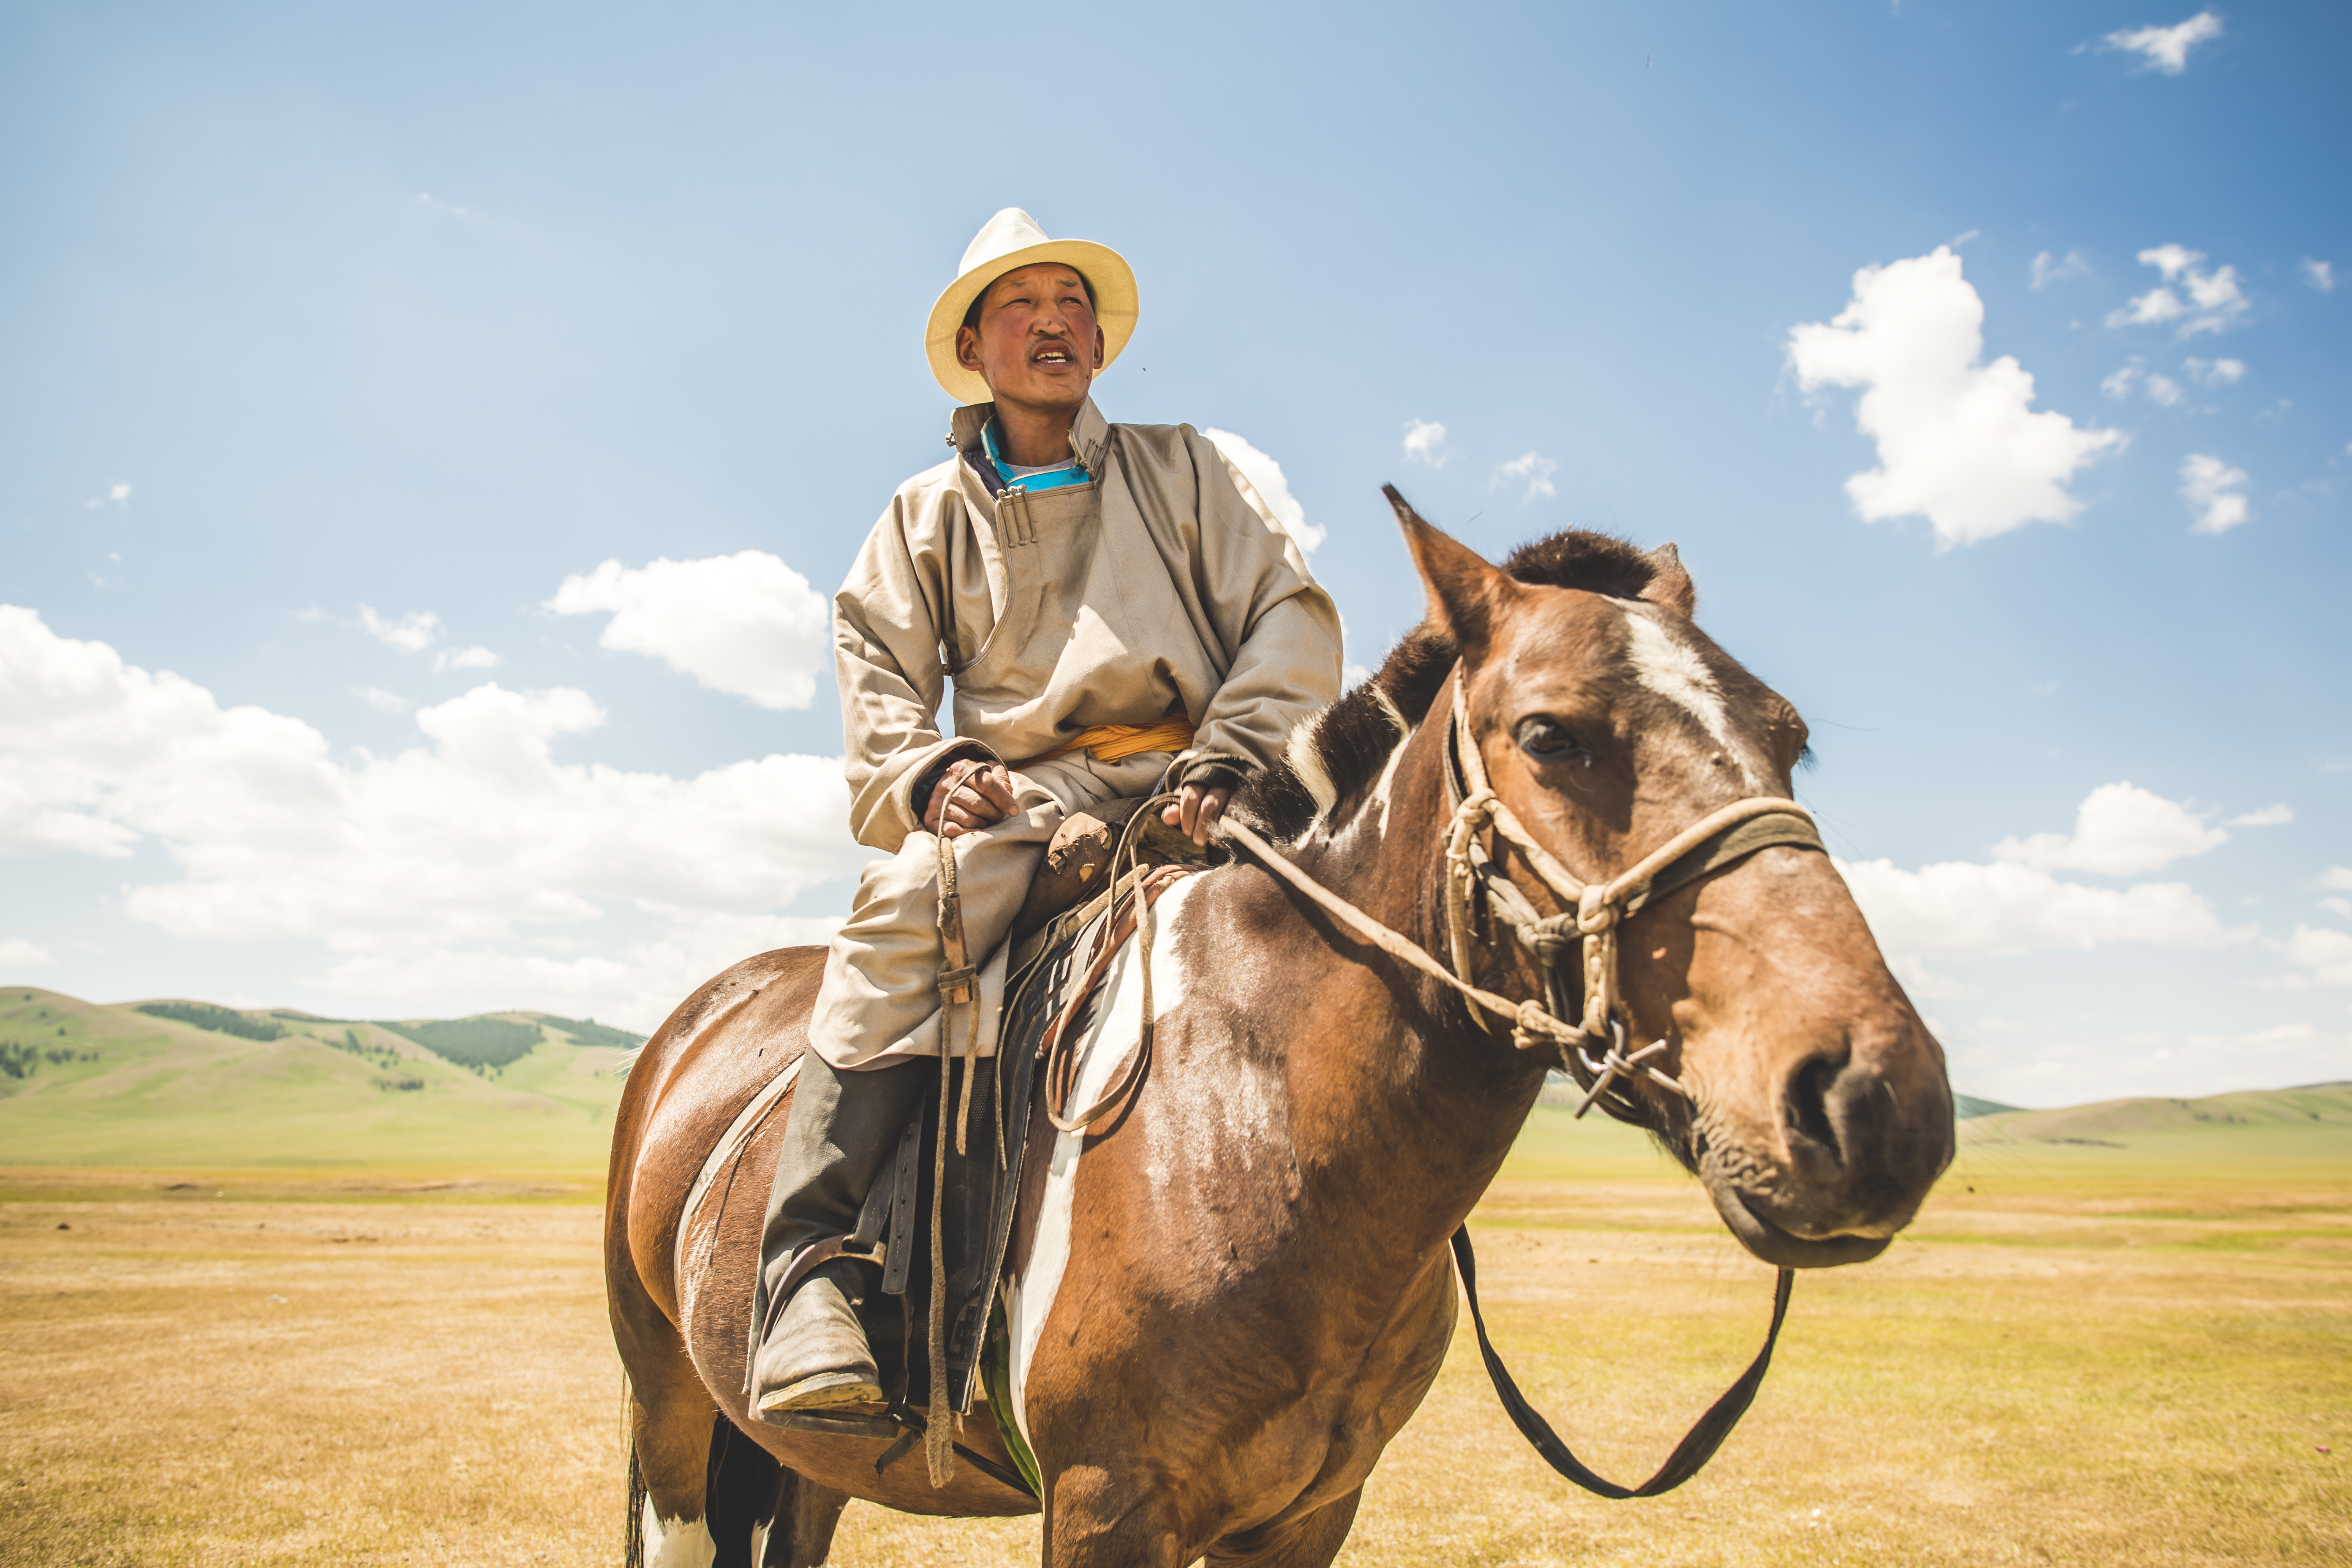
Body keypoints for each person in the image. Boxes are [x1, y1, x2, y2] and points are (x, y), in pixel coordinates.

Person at [749, 209, 1342, 1421]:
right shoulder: (921, 518)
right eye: (1022, 304)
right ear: (975, 347)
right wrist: (934, 774)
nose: (1055, 321)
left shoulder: (1187, 469)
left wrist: (1231, 760)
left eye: (1073, 302)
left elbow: (1287, 611)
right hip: (1030, 802)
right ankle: (806, 1264)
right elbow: (877, 671)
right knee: (916, 900)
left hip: (1205, 777)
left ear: (1100, 345)